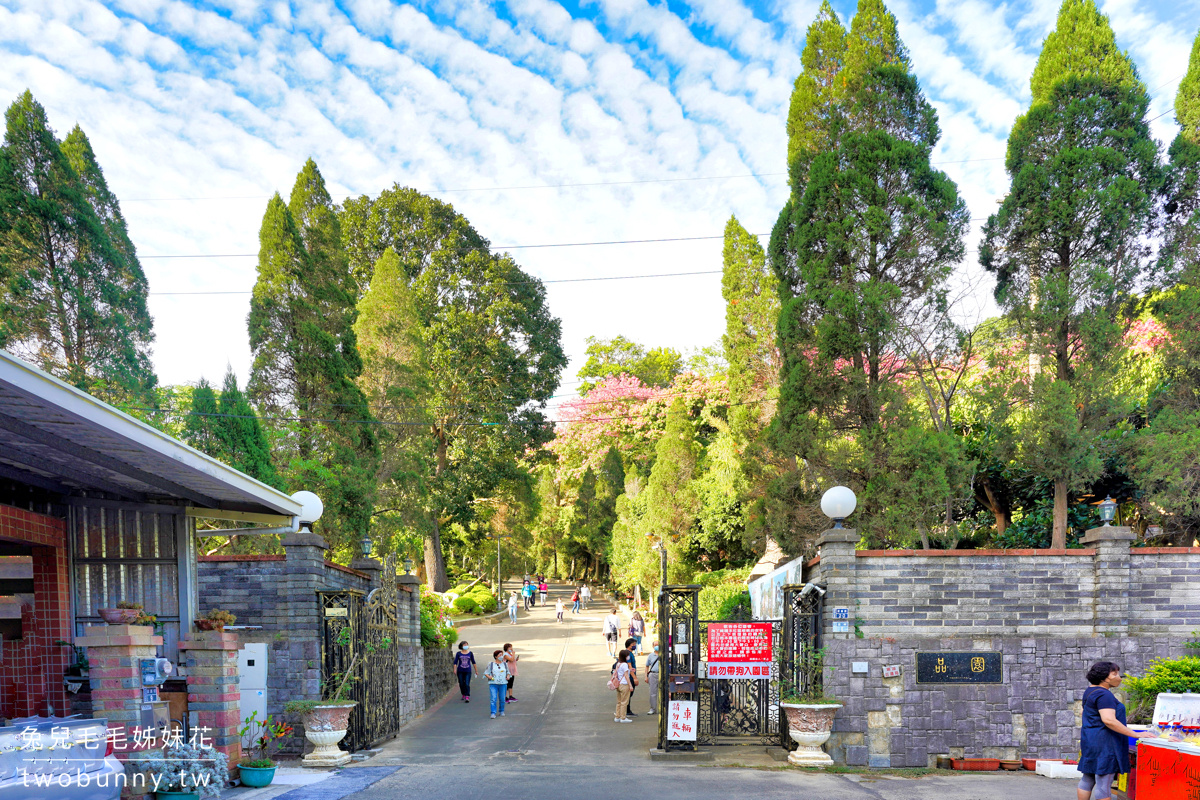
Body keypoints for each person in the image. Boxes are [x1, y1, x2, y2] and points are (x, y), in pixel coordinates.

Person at [1077, 661, 1159, 800]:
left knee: (1088, 778)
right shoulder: (1105, 695)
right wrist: (1136, 734)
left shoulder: (1090, 690)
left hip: (1090, 741)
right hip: (1105, 744)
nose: (1119, 677)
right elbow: (1109, 720)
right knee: (1104, 784)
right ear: (1104, 677)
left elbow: (1083, 712)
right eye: (1114, 674)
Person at [484, 649, 510, 719]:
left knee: (502, 698)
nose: (501, 656)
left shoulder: (505, 664)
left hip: (503, 683)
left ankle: (501, 711)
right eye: (500, 655)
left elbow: (508, 672)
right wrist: (489, 676)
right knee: (493, 698)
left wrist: (507, 676)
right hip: (493, 683)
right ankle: (493, 712)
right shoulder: (491, 664)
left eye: (502, 655)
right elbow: (486, 672)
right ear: (496, 656)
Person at [613, 649, 635, 723]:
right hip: (624, 684)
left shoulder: (618, 663)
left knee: (619, 701)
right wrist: (630, 685)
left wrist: (630, 670)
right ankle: (623, 717)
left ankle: (617, 716)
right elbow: (626, 676)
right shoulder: (625, 664)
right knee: (624, 702)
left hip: (618, 684)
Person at [622, 637, 640, 715]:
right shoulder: (628, 654)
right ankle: (626, 711)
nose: (634, 646)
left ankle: (627, 710)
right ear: (629, 645)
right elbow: (630, 666)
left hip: (629, 676)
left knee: (629, 694)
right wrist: (634, 678)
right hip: (629, 677)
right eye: (633, 644)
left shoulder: (629, 653)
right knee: (628, 694)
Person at [646, 639, 661, 715]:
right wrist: (646, 676)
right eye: (655, 645)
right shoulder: (650, 656)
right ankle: (653, 708)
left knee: (663, 692)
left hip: (662, 675)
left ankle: (663, 708)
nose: (657, 646)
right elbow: (647, 666)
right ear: (653, 646)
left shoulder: (664, 654)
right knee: (652, 692)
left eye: (658, 645)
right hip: (653, 674)